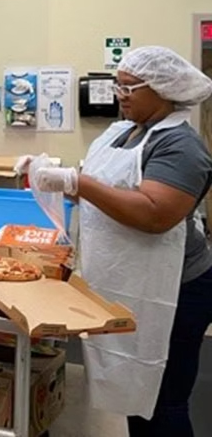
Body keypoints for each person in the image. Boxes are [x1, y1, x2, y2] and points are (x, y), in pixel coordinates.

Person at [25, 46, 212, 436]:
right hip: (132, 279)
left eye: (129, 88)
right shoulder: (127, 132)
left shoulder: (181, 146)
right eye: (118, 86)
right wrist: (52, 177)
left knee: (162, 398)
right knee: (134, 392)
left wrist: (80, 183)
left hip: (174, 287)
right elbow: (109, 192)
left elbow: (154, 214)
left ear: (163, 89)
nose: (119, 96)